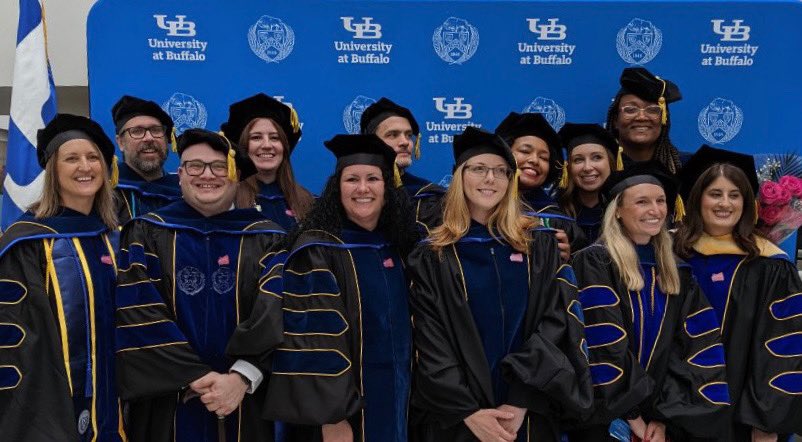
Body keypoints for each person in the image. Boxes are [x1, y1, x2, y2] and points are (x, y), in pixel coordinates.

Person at [407, 127, 592, 441]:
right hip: (459, 419)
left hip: (528, 412)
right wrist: (469, 412)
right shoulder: (432, 254)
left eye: (500, 171)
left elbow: (555, 320)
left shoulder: (539, 245)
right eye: (479, 169)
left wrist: (520, 399)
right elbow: (429, 337)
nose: (490, 179)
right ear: (459, 177)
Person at [115, 129, 285, 442]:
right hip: (168, 402)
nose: (207, 175)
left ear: (235, 176)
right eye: (195, 166)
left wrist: (241, 377)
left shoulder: (268, 238)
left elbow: (276, 312)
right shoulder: (146, 233)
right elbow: (137, 311)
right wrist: (194, 375)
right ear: (180, 175)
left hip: (247, 399)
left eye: (219, 167)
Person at [262, 134, 419, 442]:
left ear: (387, 188)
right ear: (338, 188)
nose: (363, 189)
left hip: (400, 400)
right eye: (352, 179)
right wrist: (332, 417)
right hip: (341, 415)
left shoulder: (402, 246)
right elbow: (311, 342)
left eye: (373, 178)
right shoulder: (318, 250)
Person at [568, 161, 729, 441]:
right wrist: (633, 417)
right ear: (618, 210)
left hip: (658, 420)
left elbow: (695, 347)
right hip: (605, 416)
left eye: (660, 201)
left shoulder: (676, 271)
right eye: (642, 202)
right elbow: (602, 343)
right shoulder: (595, 262)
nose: (655, 210)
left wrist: (664, 416)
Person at [0, 114, 125, 440]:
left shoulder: (116, 237)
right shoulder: (27, 242)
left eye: (93, 157)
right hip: (51, 407)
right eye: (72, 158)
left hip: (119, 400)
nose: (85, 167)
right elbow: (17, 340)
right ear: (53, 170)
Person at [674, 145, 802, 442]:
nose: (725, 203)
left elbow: (782, 348)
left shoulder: (769, 265)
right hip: (675, 406)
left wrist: (765, 422)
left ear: (747, 203)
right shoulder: (671, 254)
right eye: (715, 194)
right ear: (697, 198)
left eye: (735, 195)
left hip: (740, 415)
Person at [495, 111, 585, 258]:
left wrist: (568, 260)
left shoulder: (558, 221)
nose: (535, 160)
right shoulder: (480, 208)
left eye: (543, 158)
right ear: (504, 153)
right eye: (525, 151)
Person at [222, 93, 315, 230]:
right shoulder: (226, 200)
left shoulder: (308, 203)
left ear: (284, 147)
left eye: (274, 138)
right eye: (256, 137)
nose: (267, 145)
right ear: (243, 147)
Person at [360, 97, 446, 231]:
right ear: (371, 143)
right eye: (393, 135)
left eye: (409, 135)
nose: (405, 142)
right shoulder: (353, 193)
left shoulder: (430, 196)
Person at [112, 95, 181, 224]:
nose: (149, 138)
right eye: (137, 131)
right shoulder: (106, 191)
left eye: (156, 130)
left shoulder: (183, 191)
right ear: (120, 142)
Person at [605, 67, 685, 174]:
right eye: (630, 110)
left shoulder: (684, 167)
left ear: (663, 119)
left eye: (652, 110)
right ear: (615, 121)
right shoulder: (600, 170)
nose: (641, 117)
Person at [557, 123, 620, 244]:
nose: (587, 167)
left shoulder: (625, 210)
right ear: (568, 168)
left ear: (610, 162)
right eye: (578, 160)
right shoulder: (556, 213)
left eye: (597, 157)